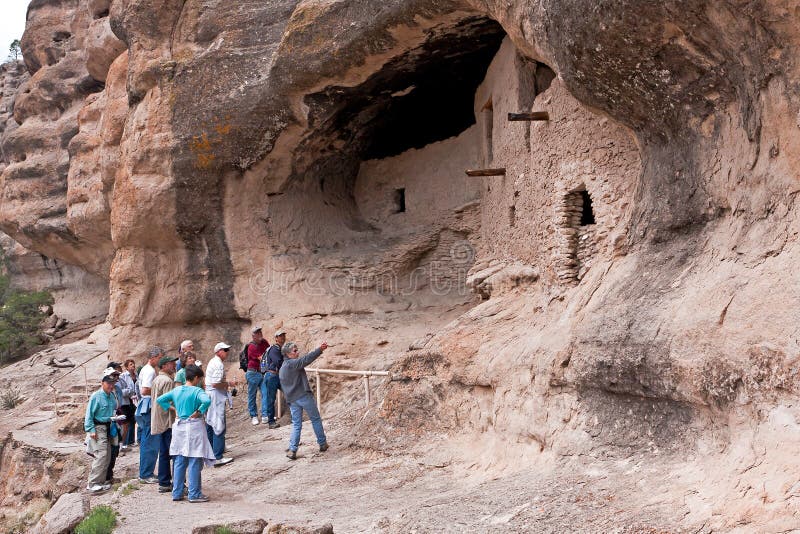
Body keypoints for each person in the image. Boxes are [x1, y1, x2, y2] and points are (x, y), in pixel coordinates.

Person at [157, 364, 216, 503]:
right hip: (194, 426)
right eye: (199, 379)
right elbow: (207, 400)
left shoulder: (177, 390)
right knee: (195, 459)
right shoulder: (197, 391)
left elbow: (160, 400)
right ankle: (194, 493)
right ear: (195, 378)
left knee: (179, 459)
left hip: (179, 426)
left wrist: (172, 408)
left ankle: (177, 492)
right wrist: (199, 411)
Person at [279, 341, 329, 460]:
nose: (297, 352)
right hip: (303, 396)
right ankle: (322, 443)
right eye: (295, 351)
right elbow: (306, 359)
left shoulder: (283, 367)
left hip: (292, 399)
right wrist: (319, 350)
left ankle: (292, 450)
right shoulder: (293, 363)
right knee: (315, 419)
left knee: (296, 424)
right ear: (288, 354)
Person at [84, 373, 119, 492]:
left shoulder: (112, 395)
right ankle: (92, 483)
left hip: (109, 426)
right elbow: (89, 414)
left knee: (107, 455)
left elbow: (113, 409)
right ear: (102, 383)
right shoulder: (96, 396)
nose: (111, 386)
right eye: (108, 383)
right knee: (101, 455)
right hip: (98, 428)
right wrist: (91, 429)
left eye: (112, 383)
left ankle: (101, 482)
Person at [151, 354, 178, 493]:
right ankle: (177, 483)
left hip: (159, 420)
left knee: (164, 452)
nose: (174, 365)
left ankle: (164, 482)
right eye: (171, 363)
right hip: (167, 421)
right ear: (164, 366)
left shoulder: (157, 379)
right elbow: (170, 401)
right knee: (174, 452)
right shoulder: (167, 380)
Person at [136, 347, 162, 483]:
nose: (159, 360)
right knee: (150, 440)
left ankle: (146, 472)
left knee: (148, 440)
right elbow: (145, 390)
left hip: (147, 405)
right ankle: (146, 473)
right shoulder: (149, 371)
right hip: (149, 405)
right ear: (153, 357)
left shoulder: (147, 370)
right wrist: (160, 390)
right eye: (159, 358)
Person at [205, 342, 234, 466]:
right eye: (225, 350)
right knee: (218, 425)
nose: (227, 352)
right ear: (218, 352)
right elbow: (215, 384)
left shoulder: (213, 362)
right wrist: (229, 384)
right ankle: (218, 456)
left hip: (211, 395)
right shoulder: (218, 364)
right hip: (215, 396)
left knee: (211, 424)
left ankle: (211, 455)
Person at [244, 326, 270, 426]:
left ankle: (264, 415)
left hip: (262, 372)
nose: (260, 334)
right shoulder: (251, 346)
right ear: (253, 336)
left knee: (265, 393)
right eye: (257, 333)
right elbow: (261, 358)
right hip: (253, 373)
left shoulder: (264, 342)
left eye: (260, 332)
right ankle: (253, 416)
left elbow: (270, 352)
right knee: (252, 395)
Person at [264, 330, 286, 429]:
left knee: (289, 392)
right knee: (271, 399)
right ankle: (271, 422)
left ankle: (295, 416)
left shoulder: (280, 349)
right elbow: (278, 362)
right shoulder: (274, 349)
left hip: (277, 376)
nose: (282, 337)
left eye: (283, 335)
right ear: (276, 338)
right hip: (272, 376)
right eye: (280, 336)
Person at [118, 359, 137, 449]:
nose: (133, 366)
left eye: (133, 364)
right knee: (125, 422)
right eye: (130, 364)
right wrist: (130, 391)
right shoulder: (123, 376)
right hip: (125, 401)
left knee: (132, 420)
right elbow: (120, 391)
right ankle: (123, 443)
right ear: (126, 367)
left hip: (134, 400)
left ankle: (130, 441)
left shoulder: (136, 375)